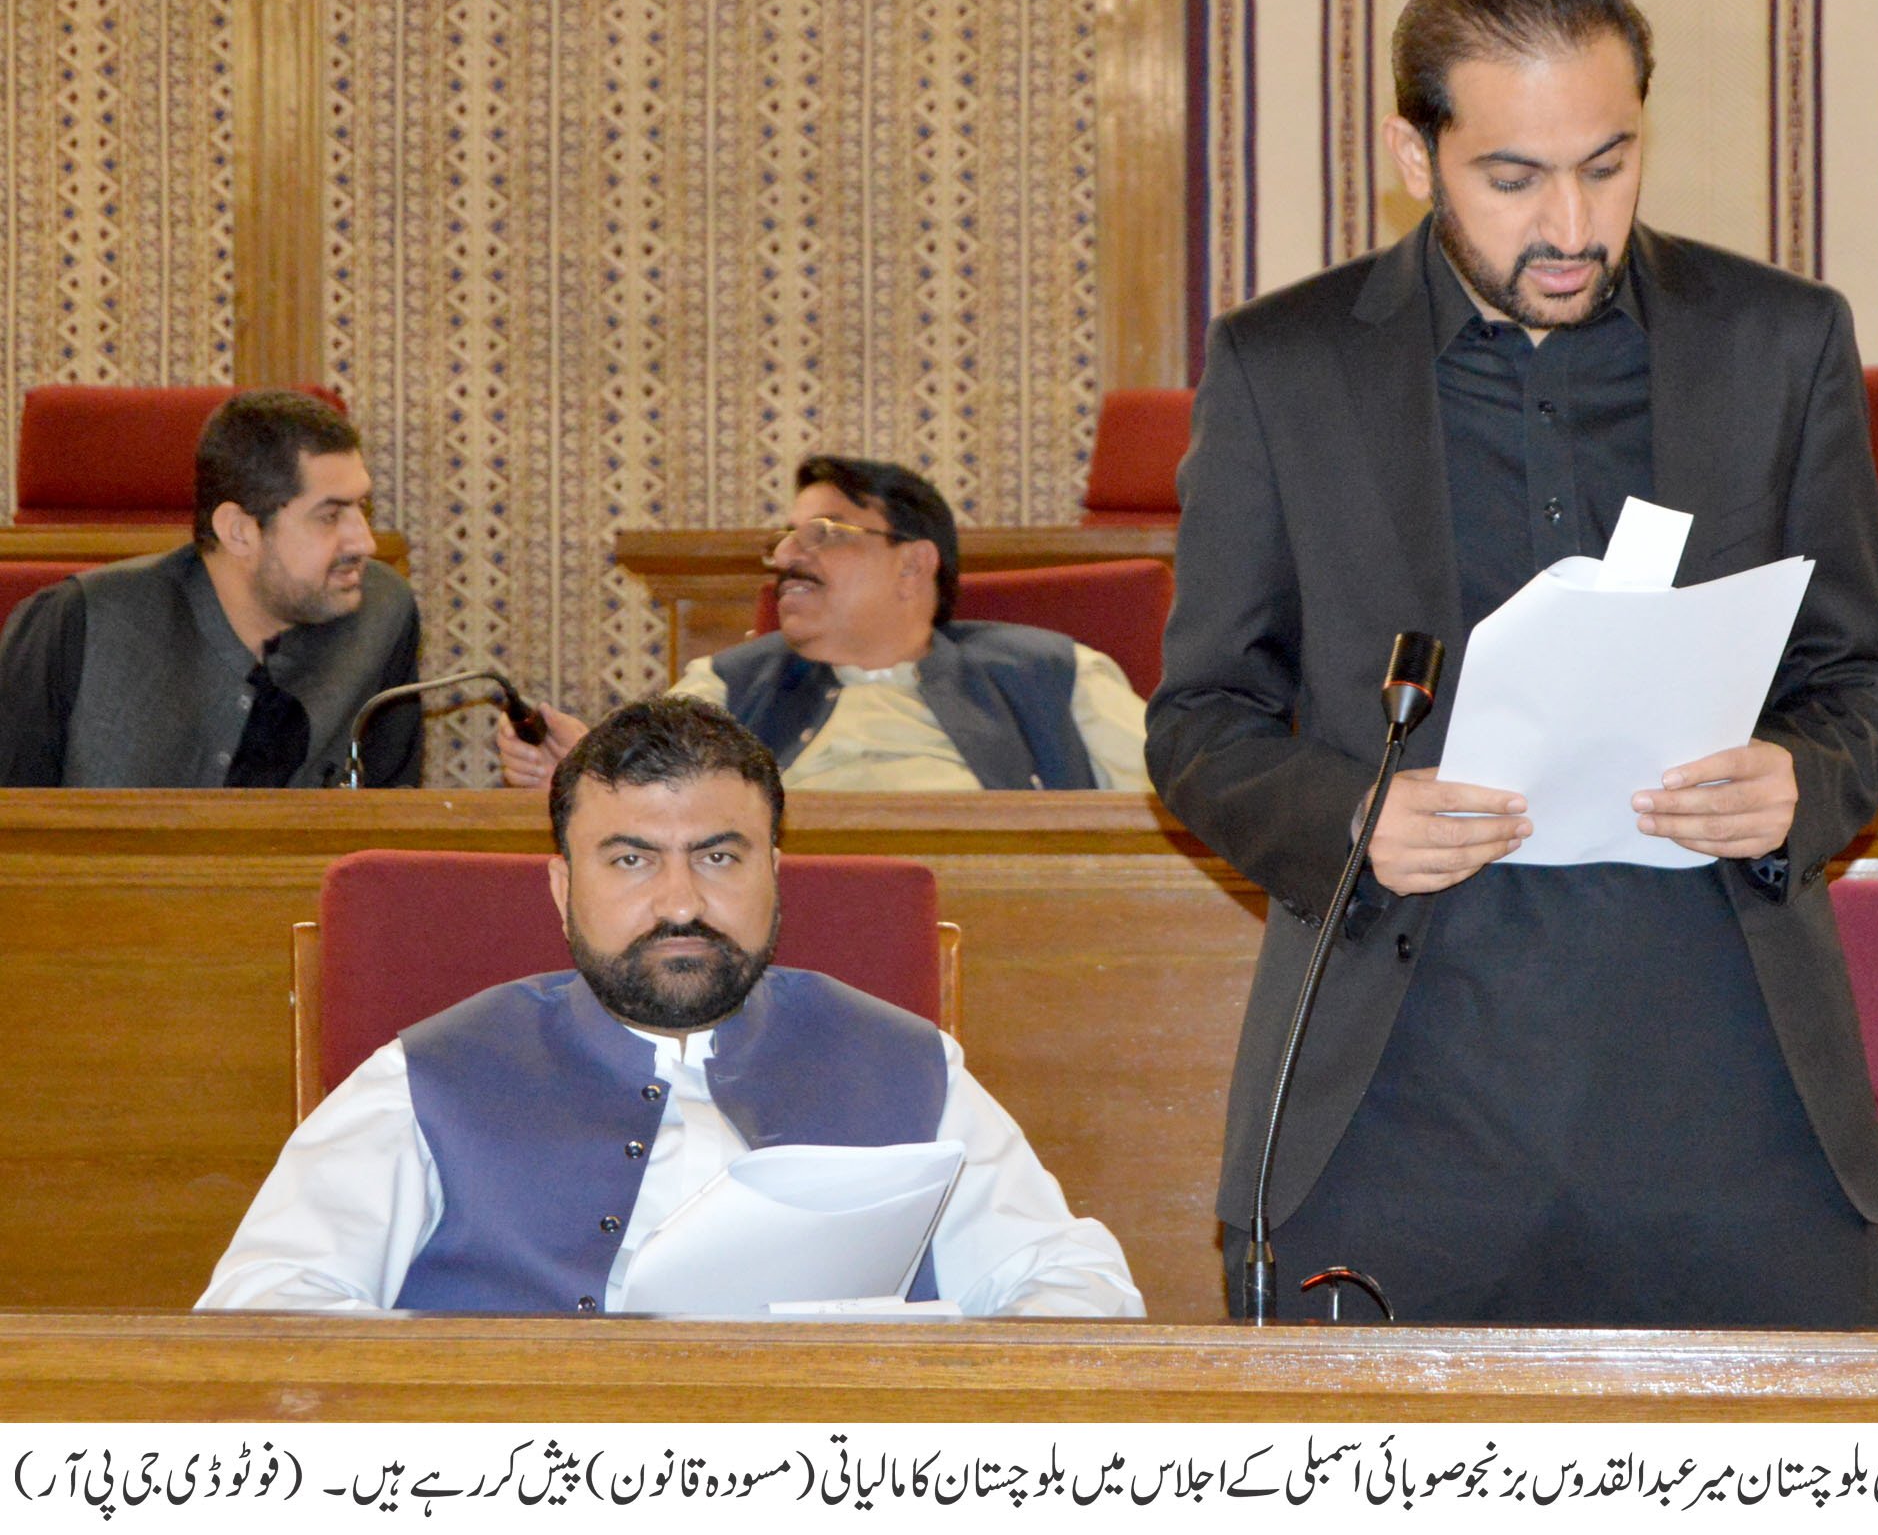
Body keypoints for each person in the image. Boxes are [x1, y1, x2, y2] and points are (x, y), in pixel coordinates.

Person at [1147, 0, 1878, 1325]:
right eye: (1514, 179)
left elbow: (1861, 682)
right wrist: (1354, 814)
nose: (1572, 223)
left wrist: (1800, 776)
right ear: (1413, 150)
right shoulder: (1284, 366)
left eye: (1608, 165)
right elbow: (1198, 719)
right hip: (1397, 1101)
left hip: (1729, 1096)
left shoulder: (1778, 342)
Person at [199, 695, 1144, 1316]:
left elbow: (1069, 1283)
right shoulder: (433, 1075)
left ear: (776, 875)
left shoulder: (906, 1066)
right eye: (632, 860)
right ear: (563, 889)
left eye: (721, 857)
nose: (683, 902)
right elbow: (269, 1303)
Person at [498, 455, 1149, 792]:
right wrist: (581, 774)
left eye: (824, 535)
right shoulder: (725, 688)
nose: (785, 559)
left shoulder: (1058, 673)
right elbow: (651, 815)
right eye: (784, 540)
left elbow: (1185, 805)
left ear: (912, 566)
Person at [0, 389, 420, 788]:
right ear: (238, 532)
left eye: (361, 507)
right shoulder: (72, 627)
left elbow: (388, 818)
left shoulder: (382, 613)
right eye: (329, 516)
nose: (364, 543)